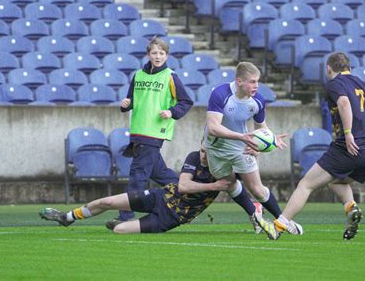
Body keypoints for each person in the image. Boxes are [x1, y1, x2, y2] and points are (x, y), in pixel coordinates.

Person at [272, 52, 365, 240]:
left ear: (328, 68)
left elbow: (343, 102)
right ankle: (351, 207)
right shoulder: (362, 83)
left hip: (348, 147)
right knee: (336, 181)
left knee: (305, 185)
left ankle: (280, 224)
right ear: (349, 67)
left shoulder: (334, 84)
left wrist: (349, 133)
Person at [39, 144, 272, 234]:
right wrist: (215, 186)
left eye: (207, 152)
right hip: (160, 197)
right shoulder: (193, 157)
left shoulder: (227, 170)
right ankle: (68, 217)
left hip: (173, 217)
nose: (202, 155)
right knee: (107, 202)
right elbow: (183, 186)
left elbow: (244, 187)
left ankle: (122, 223)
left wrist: (255, 152)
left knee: (119, 231)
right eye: (202, 150)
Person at [204, 61, 303, 240]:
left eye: (257, 81)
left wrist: (268, 142)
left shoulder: (258, 101)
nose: (256, 86)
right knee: (229, 184)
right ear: (239, 81)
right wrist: (243, 137)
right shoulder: (220, 94)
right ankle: (254, 212)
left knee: (257, 189)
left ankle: (283, 220)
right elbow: (213, 128)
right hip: (215, 148)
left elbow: (261, 128)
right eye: (252, 81)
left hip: (242, 149)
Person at [116, 37, 193, 222]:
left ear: (166, 55)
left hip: (154, 133)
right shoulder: (138, 75)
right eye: (154, 53)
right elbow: (132, 101)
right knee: (160, 174)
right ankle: (190, 196)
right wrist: (126, 104)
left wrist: (171, 112)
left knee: (137, 177)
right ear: (148, 54)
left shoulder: (170, 77)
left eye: (161, 53)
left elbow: (186, 102)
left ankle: (125, 216)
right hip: (137, 132)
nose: (157, 56)